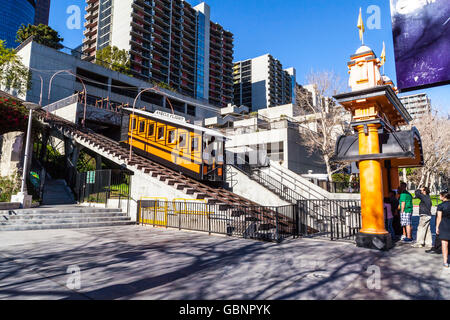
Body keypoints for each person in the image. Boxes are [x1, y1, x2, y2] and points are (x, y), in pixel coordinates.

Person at [436, 191, 450, 268]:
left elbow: (439, 218)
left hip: (444, 226)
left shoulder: (440, 206)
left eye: (440, 196)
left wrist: (437, 227)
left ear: (443, 197)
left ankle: (445, 262)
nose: (439, 197)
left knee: (444, 244)